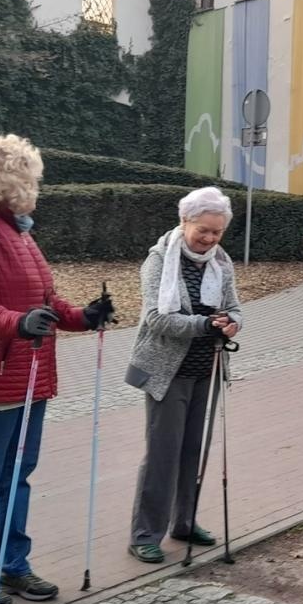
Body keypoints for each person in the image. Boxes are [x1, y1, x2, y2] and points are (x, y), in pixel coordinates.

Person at [0, 134, 115, 604]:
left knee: (16, 478)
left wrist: (82, 315)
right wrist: (17, 324)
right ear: (8, 181)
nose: (36, 186)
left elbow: (43, 299)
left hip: (28, 374)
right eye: (31, 178)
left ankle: (13, 566)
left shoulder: (15, 228)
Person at [126, 186, 242, 564]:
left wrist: (231, 324)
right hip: (166, 372)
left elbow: (234, 308)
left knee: (194, 449)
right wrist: (204, 325)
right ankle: (145, 534)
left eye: (217, 232)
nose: (209, 239)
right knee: (163, 453)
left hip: (206, 369)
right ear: (184, 222)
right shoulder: (160, 260)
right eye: (203, 230)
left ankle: (184, 521)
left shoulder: (221, 262)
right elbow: (156, 319)